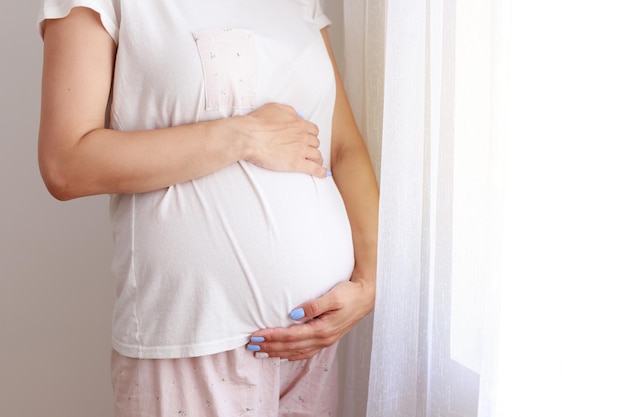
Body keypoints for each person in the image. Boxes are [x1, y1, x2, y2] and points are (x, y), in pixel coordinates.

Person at [37, 0, 379, 415]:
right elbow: (66, 164)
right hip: (192, 343)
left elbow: (342, 147)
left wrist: (369, 281)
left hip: (312, 344)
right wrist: (243, 137)